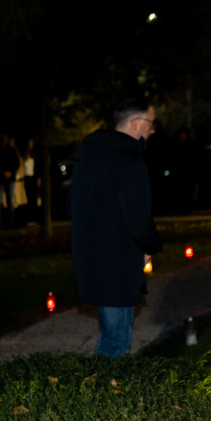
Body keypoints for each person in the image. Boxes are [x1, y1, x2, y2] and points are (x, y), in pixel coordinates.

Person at [69, 97, 163, 358]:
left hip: (92, 257)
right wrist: (151, 246)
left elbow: (73, 207)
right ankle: (104, 385)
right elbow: (138, 218)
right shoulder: (129, 161)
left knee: (110, 337)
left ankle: (96, 382)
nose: (152, 130)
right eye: (151, 123)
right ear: (135, 123)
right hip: (118, 261)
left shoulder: (88, 156)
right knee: (117, 342)